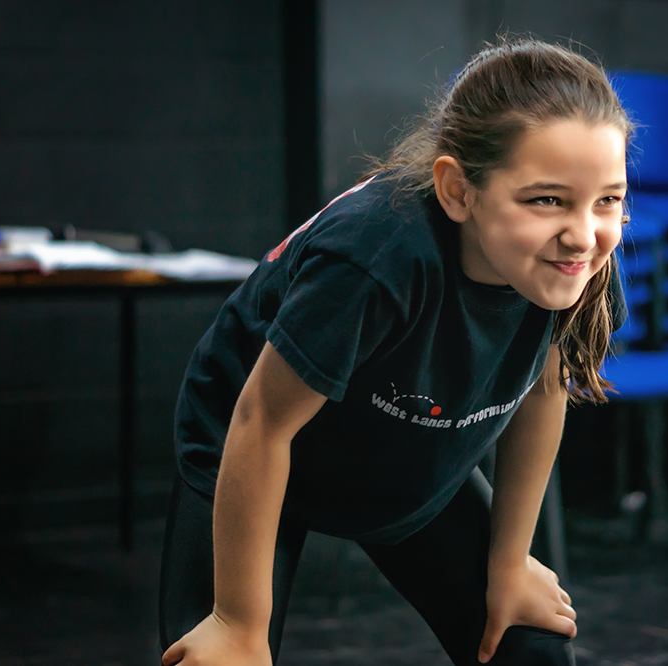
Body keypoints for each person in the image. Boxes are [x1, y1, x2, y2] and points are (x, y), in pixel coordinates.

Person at [158, 37, 632, 666]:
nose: (584, 232)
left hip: (405, 456)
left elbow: (543, 390)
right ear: (458, 190)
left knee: (529, 650)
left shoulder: (576, 261)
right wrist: (236, 622)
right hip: (257, 452)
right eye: (545, 199)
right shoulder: (376, 258)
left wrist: (510, 563)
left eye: (609, 199)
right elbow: (261, 422)